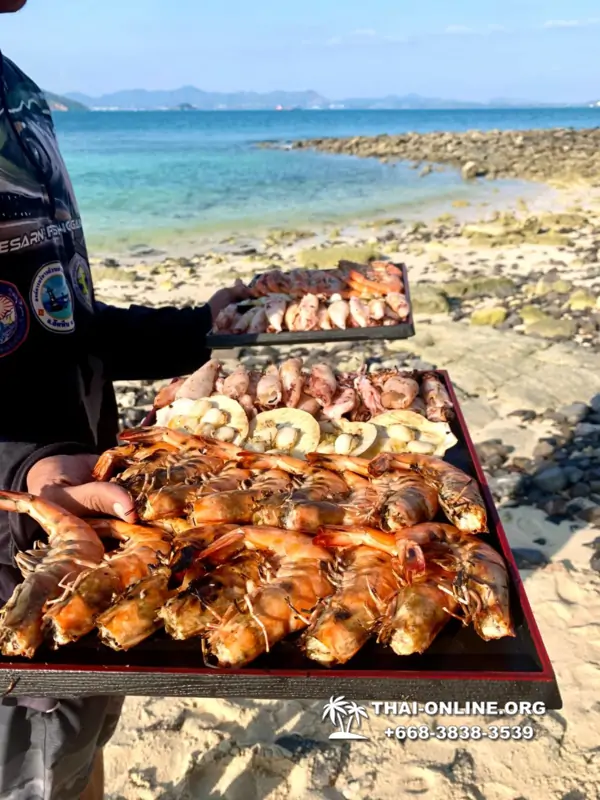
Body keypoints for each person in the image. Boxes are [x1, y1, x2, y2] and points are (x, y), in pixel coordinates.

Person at [0, 2, 249, 796]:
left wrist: (192, 329)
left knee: (79, 735)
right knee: (31, 762)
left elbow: (60, 314)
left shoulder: (16, 93)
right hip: (20, 544)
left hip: (90, 512)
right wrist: (29, 465)